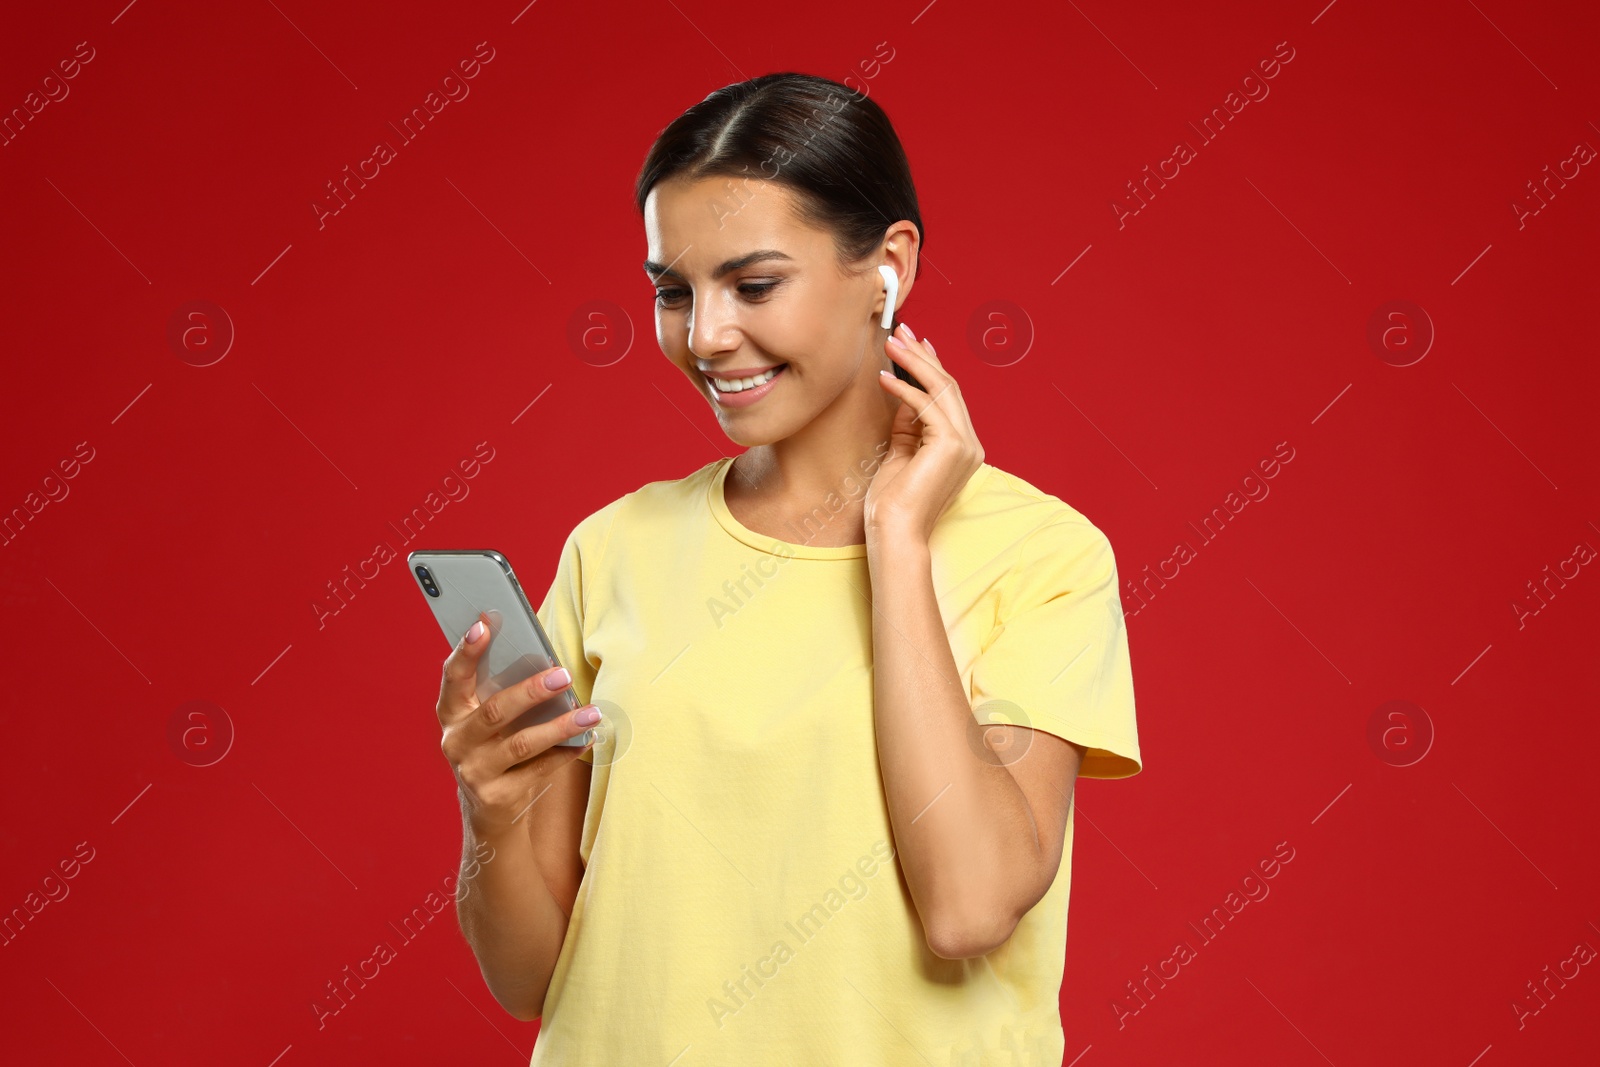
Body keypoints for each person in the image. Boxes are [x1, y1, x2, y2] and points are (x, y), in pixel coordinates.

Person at [435, 71, 1142, 1066]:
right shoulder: (613, 550)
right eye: (672, 292)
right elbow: (530, 978)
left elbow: (969, 904)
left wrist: (895, 534)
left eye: (754, 284)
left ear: (888, 266)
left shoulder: (1040, 555)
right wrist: (490, 815)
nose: (708, 334)